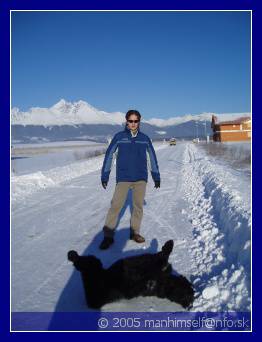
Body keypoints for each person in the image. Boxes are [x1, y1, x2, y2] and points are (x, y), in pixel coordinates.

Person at [100, 109, 161, 250]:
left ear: (139, 122)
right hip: (123, 178)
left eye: (136, 121)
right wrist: (105, 175)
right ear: (126, 121)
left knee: (138, 206)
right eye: (130, 121)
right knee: (115, 206)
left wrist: (156, 176)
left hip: (140, 178)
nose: (133, 124)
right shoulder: (119, 137)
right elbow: (109, 156)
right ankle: (108, 237)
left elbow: (152, 157)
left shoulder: (144, 138)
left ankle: (134, 233)